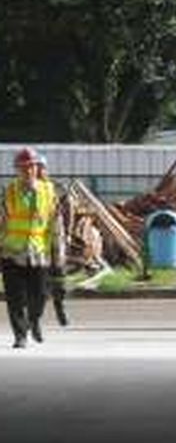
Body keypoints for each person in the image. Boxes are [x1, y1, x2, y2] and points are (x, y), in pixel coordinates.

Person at [0, 147, 66, 349]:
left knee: (39, 297)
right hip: (12, 253)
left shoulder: (48, 192)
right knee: (14, 298)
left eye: (31, 166)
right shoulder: (9, 192)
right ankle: (20, 335)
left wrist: (59, 255)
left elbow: (57, 226)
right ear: (17, 170)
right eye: (23, 167)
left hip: (39, 254)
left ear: (37, 168)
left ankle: (33, 320)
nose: (28, 171)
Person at [37, 155, 70, 327]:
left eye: (41, 167)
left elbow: (68, 209)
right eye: (36, 167)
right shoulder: (28, 190)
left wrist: (69, 233)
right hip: (37, 239)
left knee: (59, 276)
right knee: (39, 278)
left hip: (56, 238)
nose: (38, 171)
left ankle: (61, 308)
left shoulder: (57, 188)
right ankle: (37, 313)